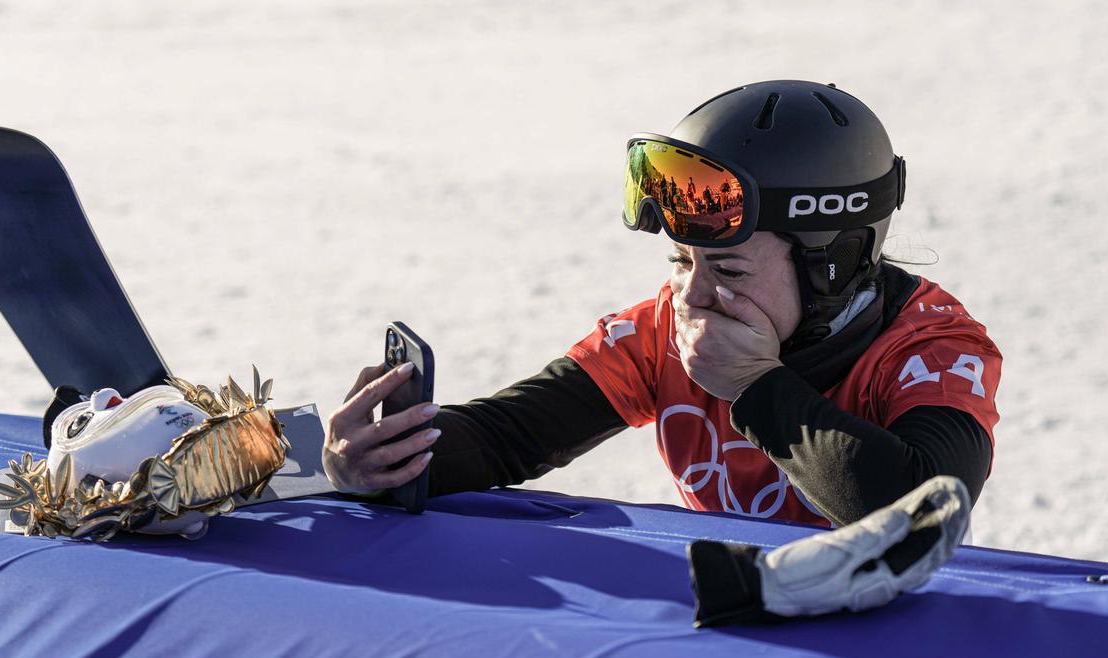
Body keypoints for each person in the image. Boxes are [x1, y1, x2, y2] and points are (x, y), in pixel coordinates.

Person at [322, 80, 1002, 528]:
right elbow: (509, 438)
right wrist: (384, 459)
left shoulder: (932, 350)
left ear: (835, 264)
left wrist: (754, 388)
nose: (693, 295)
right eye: (679, 261)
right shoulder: (665, 332)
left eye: (729, 266)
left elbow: (922, 516)